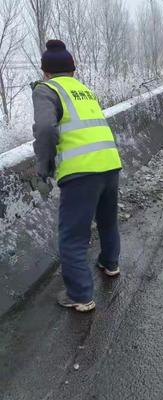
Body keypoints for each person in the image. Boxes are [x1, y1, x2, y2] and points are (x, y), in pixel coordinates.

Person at [31, 40, 123, 313]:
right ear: (73, 69)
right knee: (107, 221)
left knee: (72, 236)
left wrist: (44, 166)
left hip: (81, 170)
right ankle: (110, 263)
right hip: (110, 162)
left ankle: (81, 295)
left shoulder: (46, 90)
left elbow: (46, 128)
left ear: (45, 71)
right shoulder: (84, 90)